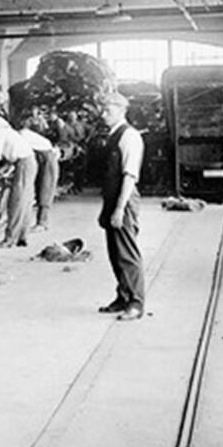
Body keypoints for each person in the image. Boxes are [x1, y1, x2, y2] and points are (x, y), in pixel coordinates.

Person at [96, 92, 146, 321]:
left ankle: (136, 302)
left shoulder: (129, 137)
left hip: (123, 199)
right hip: (112, 197)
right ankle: (123, 296)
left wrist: (118, 209)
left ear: (121, 111)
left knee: (126, 253)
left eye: (108, 110)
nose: (102, 114)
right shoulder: (113, 135)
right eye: (102, 109)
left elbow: (129, 176)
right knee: (115, 253)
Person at [0, 117, 38, 248]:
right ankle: (22, 236)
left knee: (16, 202)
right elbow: (10, 158)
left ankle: (10, 239)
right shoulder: (8, 132)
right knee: (25, 201)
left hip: (23, 164)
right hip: (26, 162)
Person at [19, 115, 59, 232]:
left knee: (45, 189)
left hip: (47, 159)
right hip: (43, 158)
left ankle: (42, 222)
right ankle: (40, 221)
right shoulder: (24, 134)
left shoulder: (22, 135)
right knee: (40, 188)